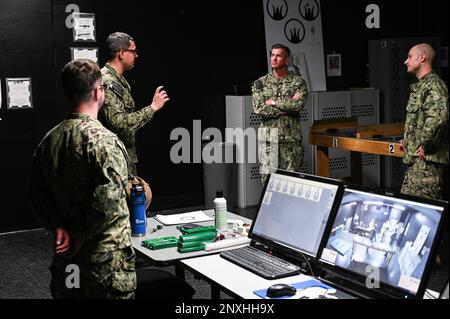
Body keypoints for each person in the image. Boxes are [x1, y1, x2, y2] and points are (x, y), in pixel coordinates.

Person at [29, 59, 136, 299]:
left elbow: (37, 196)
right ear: (99, 92)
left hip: (67, 260)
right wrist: (79, 236)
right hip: (104, 265)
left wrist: (58, 227)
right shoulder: (106, 142)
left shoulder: (49, 141)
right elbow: (108, 206)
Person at [100, 32, 169, 175]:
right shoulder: (107, 82)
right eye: (133, 51)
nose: (136, 55)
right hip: (114, 161)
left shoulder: (118, 80)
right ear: (122, 53)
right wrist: (152, 108)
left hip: (123, 157)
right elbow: (119, 123)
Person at [252, 43, 309, 183]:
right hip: (268, 141)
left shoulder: (298, 83)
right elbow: (259, 108)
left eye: (278, 56)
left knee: (291, 182)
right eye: (272, 55)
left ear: (287, 60)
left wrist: (273, 102)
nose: (274, 59)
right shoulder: (260, 83)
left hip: (291, 141)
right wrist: (286, 107)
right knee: (268, 182)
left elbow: (298, 105)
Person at [401, 43, 448, 200]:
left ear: (422, 57)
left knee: (422, 208)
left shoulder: (434, 85)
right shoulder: (421, 86)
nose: (405, 61)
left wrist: (424, 144)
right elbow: (420, 120)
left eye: (409, 57)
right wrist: (409, 140)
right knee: (409, 203)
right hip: (416, 163)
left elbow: (438, 118)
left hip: (427, 164)